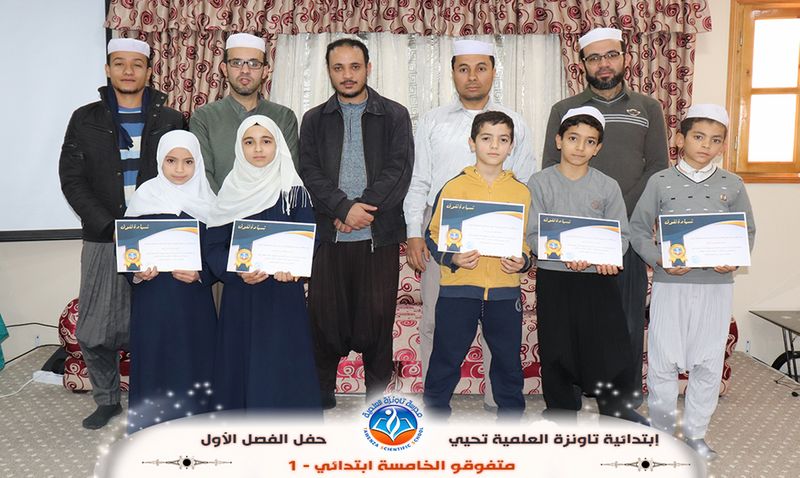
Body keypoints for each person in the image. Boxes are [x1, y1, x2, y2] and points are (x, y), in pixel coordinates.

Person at [404, 39, 537, 410]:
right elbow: (419, 180)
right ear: (453, 73)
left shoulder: (515, 121)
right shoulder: (432, 120)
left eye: (481, 68)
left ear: (493, 71)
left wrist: (523, 252)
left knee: (501, 337)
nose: (472, 76)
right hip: (447, 237)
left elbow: (527, 185)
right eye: (463, 68)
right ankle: (435, 403)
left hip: (503, 239)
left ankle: (500, 403)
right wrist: (414, 233)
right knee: (437, 323)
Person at [59, 38, 184, 430]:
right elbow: (72, 179)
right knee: (96, 329)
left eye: (137, 64)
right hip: (104, 236)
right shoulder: (85, 118)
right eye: (119, 63)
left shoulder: (171, 120)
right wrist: (109, 227)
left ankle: (159, 398)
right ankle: (108, 400)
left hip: (158, 237)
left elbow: (185, 175)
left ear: (149, 71)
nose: (128, 71)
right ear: (108, 70)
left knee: (158, 327)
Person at [541, 28, 669, 406]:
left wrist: (616, 217)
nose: (604, 64)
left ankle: (620, 397)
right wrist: (582, 227)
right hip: (573, 239)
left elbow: (657, 168)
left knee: (624, 319)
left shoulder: (648, 108)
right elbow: (550, 167)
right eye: (594, 58)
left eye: (611, 55)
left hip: (625, 235)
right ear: (582, 64)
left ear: (625, 58)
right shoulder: (564, 109)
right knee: (572, 322)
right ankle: (571, 394)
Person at [629, 104, 756, 460]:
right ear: (680, 139)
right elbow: (638, 230)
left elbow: (747, 231)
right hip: (671, 285)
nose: (706, 146)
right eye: (699, 137)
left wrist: (734, 258)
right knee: (663, 362)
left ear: (723, 146)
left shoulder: (733, 184)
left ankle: (697, 434)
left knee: (707, 363)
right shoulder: (660, 182)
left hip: (716, 287)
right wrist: (660, 259)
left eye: (715, 140)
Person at [298, 38, 413, 409]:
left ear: (368, 68)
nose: (347, 75)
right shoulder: (313, 119)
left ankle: (377, 401)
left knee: (378, 324)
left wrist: (362, 209)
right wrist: (342, 208)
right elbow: (309, 171)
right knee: (323, 322)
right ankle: (321, 396)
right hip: (329, 236)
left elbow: (399, 169)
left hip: (377, 236)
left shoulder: (394, 115)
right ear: (329, 71)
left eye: (354, 66)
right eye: (338, 68)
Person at [528, 106, 645, 424]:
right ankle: (561, 411)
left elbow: (621, 236)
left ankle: (614, 408)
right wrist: (562, 254)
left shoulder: (607, 186)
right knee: (557, 346)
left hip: (597, 280)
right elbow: (533, 234)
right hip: (555, 278)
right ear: (558, 141)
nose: (580, 147)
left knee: (607, 346)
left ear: (598, 148)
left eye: (590, 141)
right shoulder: (539, 183)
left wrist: (605, 258)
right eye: (573, 138)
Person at [206, 115, 320, 412]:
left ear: (278, 145)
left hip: (283, 296)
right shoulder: (229, 192)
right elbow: (213, 247)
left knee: (282, 360)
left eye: (266, 141)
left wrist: (294, 269)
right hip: (241, 295)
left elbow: (310, 239)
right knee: (241, 363)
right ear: (239, 147)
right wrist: (236, 271)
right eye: (249, 142)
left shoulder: (293, 190)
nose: (258, 149)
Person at [423, 111, 532, 419]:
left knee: (507, 359)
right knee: (446, 356)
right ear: (472, 143)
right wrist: (452, 258)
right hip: (458, 289)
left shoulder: (521, 192)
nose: (494, 146)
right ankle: (434, 415)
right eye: (486, 138)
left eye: (503, 139)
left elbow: (528, 241)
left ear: (511, 146)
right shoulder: (453, 187)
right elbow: (433, 235)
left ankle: (511, 418)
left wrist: (522, 261)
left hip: (504, 292)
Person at [123, 130, 218, 433]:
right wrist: (136, 272)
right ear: (159, 161)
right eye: (171, 161)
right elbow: (127, 250)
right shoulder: (144, 197)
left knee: (194, 359)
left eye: (188, 162)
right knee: (154, 358)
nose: (179, 169)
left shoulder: (209, 201)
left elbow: (218, 253)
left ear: (198, 163)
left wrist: (201, 273)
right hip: (153, 297)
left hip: (193, 300)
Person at [190, 33, 300, 192]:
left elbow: (289, 173)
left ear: (265, 71)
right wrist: (225, 205)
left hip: (271, 207)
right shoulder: (204, 118)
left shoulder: (284, 117)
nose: (245, 70)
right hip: (218, 206)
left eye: (254, 64)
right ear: (224, 69)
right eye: (236, 63)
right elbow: (202, 174)